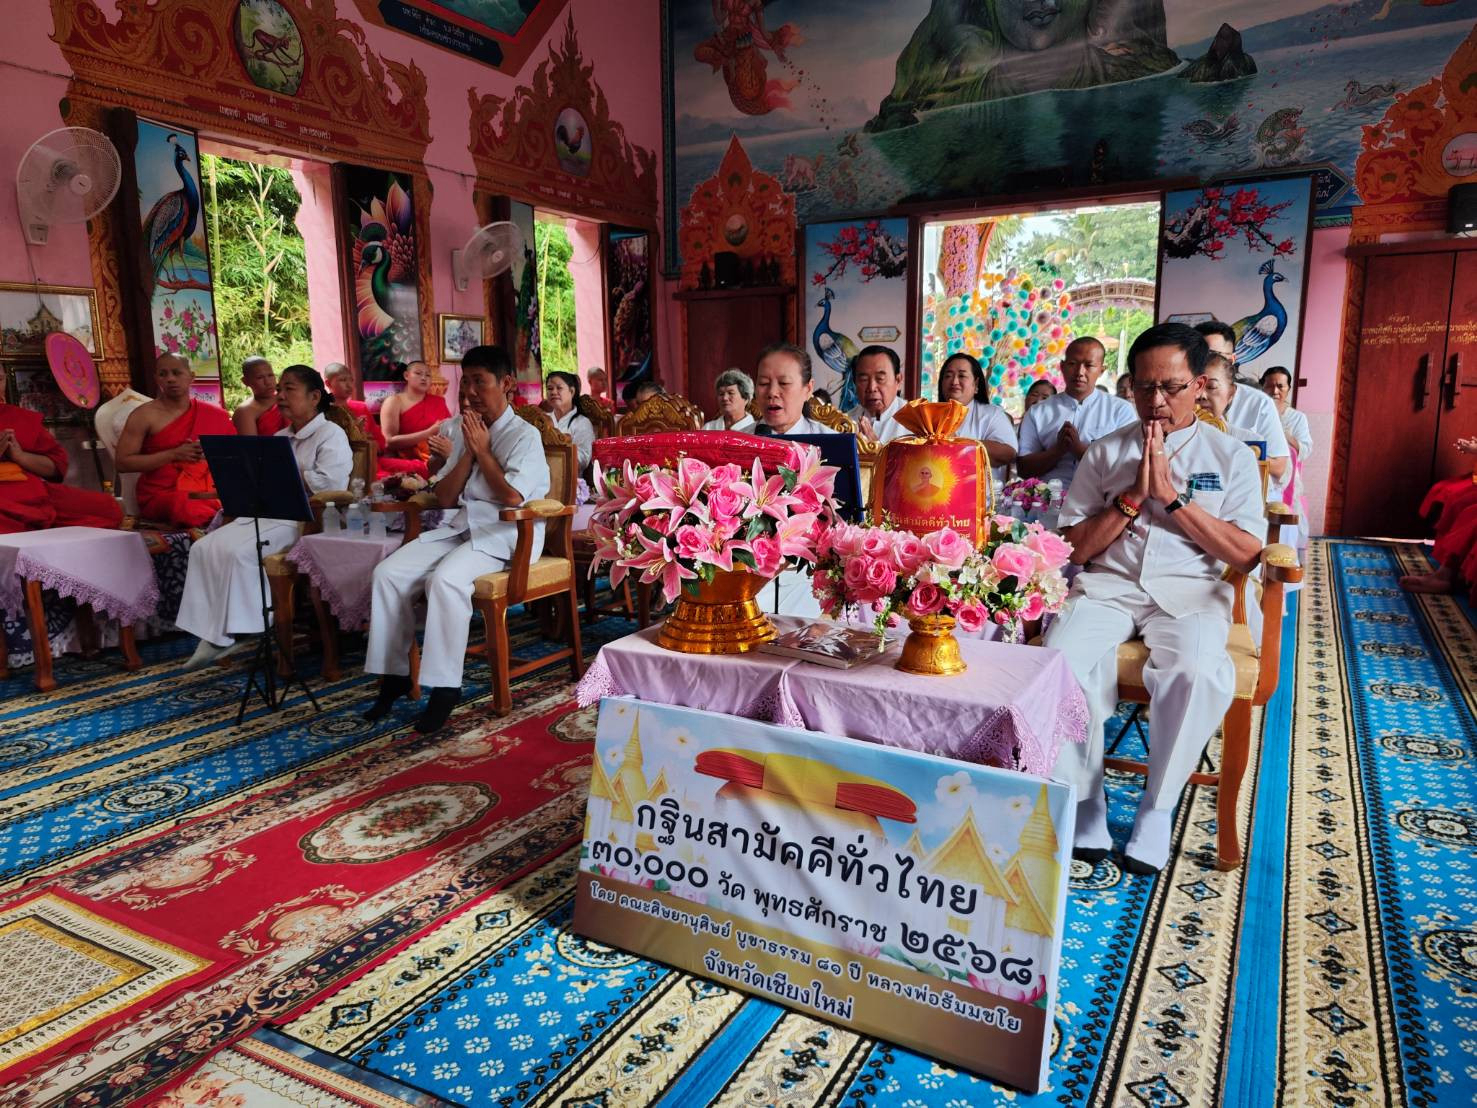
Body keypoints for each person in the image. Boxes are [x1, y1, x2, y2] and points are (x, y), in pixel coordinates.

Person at [1046, 324, 1264, 874]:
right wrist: (1132, 498)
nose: (1156, 401)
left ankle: (1155, 808)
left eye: (1170, 387)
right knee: (1062, 661)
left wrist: (1170, 498)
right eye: (1144, 388)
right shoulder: (1105, 453)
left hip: (1192, 593)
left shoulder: (1231, 456)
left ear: (1198, 385)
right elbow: (1071, 547)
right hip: (1109, 587)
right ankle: (1088, 803)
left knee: (1193, 669)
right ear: (1129, 389)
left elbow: (1245, 553)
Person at [363, 346, 550, 734]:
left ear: (507, 384)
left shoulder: (524, 435)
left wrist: (482, 451)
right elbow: (446, 498)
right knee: (388, 573)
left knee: (444, 581)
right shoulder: (468, 430)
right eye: (467, 382)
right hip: (463, 527)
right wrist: (467, 452)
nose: (471, 392)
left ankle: (446, 687)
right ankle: (395, 674)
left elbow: (512, 498)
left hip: (507, 534)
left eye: (480, 382)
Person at [178, 366, 352, 671]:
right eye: (280, 390)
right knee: (203, 549)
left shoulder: (331, 434)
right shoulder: (280, 436)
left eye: (289, 389)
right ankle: (213, 635)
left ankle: (245, 629)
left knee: (242, 554)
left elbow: (333, 484)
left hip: (306, 520)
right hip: (267, 514)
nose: (280, 396)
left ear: (314, 397)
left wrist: (287, 471)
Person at [114, 354, 235, 528]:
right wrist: (174, 454)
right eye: (163, 374)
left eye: (177, 373)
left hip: (208, 491)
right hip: (163, 494)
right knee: (186, 505)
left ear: (191, 376)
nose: (170, 379)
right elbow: (122, 463)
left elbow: (235, 458)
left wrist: (210, 455)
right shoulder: (143, 415)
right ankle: (219, 523)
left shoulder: (216, 416)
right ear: (157, 379)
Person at [1017, 337, 1136, 489]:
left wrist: (1080, 450)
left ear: (1102, 369)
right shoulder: (1038, 412)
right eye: (1073, 364)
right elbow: (1023, 469)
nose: (1080, 372)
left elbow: (1128, 469)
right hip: (1046, 501)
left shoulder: (1120, 411)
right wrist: (1057, 450)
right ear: (1062, 366)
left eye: (1089, 365)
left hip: (1101, 501)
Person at [1194, 322, 1289, 496]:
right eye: (1197, 355)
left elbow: (1279, 467)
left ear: (1231, 360)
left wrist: (1234, 449)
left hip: (1245, 493)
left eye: (1213, 355)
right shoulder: (1181, 398)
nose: (1204, 362)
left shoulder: (1258, 403)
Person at [0, 399, 121, 534]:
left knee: (106, 508)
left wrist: (21, 457)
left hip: (33, 491)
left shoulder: (18, 417)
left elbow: (55, 467)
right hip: (5, 498)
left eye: (0, 379)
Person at [938, 352, 1017, 487]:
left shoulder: (992, 414)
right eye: (948, 376)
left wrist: (959, 444)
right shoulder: (929, 415)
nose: (954, 381)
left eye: (962, 375)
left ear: (976, 384)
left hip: (981, 501)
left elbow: (1008, 453)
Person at [378, 361, 451, 479]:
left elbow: (451, 433)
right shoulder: (394, 402)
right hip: (407, 461)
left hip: (437, 458)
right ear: (406, 375)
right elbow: (389, 442)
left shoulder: (438, 401)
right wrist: (429, 432)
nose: (424, 378)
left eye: (428, 375)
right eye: (418, 373)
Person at [752, 343, 833, 436]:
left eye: (784, 383)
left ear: (808, 389)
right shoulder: (736, 440)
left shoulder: (833, 443)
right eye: (764, 383)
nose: (772, 392)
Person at [846, 345, 908, 444]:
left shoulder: (916, 424)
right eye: (864, 380)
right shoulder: (846, 422)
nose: (871, 388)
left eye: (880, 379)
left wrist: (878, 452)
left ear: (898, 380)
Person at [324, 362, 386, 452]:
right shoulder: (324, 412)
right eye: (343, 380)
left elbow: (380, 441)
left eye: (351, 380)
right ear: (328, 383)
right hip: (342, 462)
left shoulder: (361, 407)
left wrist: (371, 444)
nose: (349, 385)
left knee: (411, 465)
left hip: (370, 460)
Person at [544, 371, 595, 470]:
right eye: (550, 388)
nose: (553, 392)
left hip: (570, 480)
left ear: (571, 391)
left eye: (559, 388)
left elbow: (583, 459)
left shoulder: (582, 423)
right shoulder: (542, 420)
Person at [233, 357, 284, 436]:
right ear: (245, 381)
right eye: (260, 378)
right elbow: (251, 447)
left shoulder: (286, 400)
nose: (268, 382)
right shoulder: (245, 411)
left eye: (270, 375)